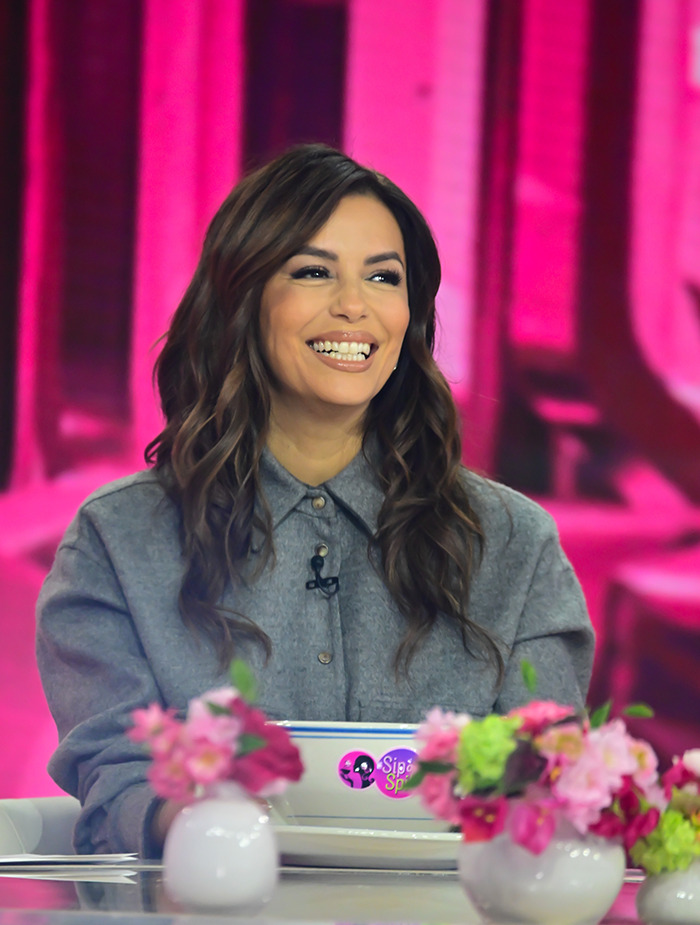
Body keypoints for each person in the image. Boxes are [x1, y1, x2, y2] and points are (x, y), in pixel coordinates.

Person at [36, 143, 595, 856]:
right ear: (241, 297)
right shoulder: (119, 540)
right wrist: (219, 836)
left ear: (412, 316)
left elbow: (549, 790)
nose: (354, 306)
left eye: (383, 277)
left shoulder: (514, 543)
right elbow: (117, 782)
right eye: (313, 271)